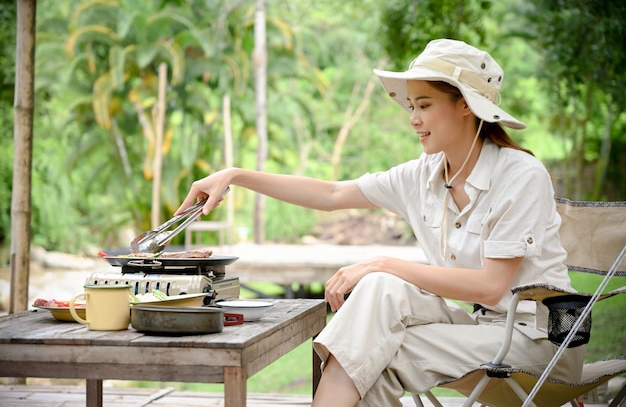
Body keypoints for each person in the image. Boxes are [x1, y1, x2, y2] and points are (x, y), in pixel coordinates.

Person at [175, 39, 584, 407]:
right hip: (479, 330)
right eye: (412, 106)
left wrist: (382, 262)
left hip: (541, 345)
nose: (413, 118)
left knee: (376, 350)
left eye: (425, 105)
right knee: (377, 306)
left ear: (465, 105)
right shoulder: (424, 176)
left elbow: (490, 285)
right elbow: (331, 194)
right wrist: (237, 175)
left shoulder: (519, 175)